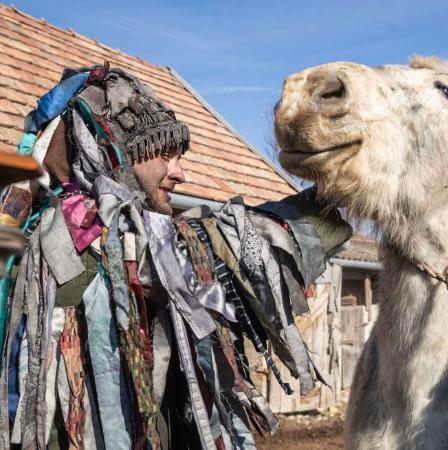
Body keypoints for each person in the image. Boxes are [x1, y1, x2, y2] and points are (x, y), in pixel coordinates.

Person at [0, 64, 351, 449]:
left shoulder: (73, 235)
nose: (180, 172)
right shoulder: (79, 246)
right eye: (165, 155)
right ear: (118, 152)